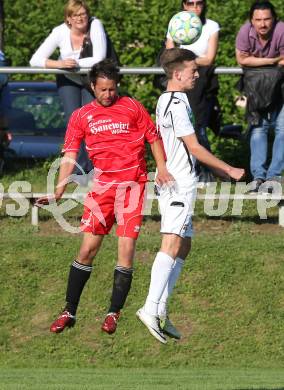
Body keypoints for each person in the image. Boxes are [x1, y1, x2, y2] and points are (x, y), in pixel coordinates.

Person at [36, 59, 173, 335]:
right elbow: (70, 154)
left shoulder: (133, 106)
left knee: (126, 252)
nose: (108, 94)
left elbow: (153, 137)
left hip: (132, 187)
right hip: (102, 190)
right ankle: (69, 311)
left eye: (112, 89)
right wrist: (60, 189)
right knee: (87, 251)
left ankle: (113, 313)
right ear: (92, 87)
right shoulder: (81, 116)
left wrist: (162, 168)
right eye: (103, 90)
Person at [136, 48, 244, 344]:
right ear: (177, 73)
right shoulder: (177, 104)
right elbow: (194, 147)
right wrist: (229, 169)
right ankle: (150, 307)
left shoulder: (167, 99)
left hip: (178, 180)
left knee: (184, 245)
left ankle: (160, 308)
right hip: (178, 183)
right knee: (171, 242)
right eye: (193, 70)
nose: (198, 74)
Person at [30, 0, 108, 174]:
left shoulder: (96, 25)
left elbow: (100, 57)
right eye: (76, 15)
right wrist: (60, 64)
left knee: (92, 121)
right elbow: (35, 60)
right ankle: (77, 169)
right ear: (68, 19)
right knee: (74, 122)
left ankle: (96, 167)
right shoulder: (59, 32)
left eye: (83, 14)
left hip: (91, 80)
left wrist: (74, 63)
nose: (81, 18)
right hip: (67, 79)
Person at [166, 0, 220, 186]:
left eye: (199, 3)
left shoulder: (211, 26)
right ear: (183, 5)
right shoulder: (175, 23)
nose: (195, 7)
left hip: (201, 81)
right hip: (180, 80)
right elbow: (169, 54)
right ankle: (186, 171)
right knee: (179, 129)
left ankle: (207, 173)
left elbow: (209, 58)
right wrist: (188, 61)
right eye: (190, 3)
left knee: (198, 127)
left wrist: (187, 62)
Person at [236, 0, 284, 193]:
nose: (262, 24)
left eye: (267, 19)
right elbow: (241, 59)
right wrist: (273, 60)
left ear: (274, 19)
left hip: (281, 88)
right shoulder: (244, 31)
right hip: (256, 89)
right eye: (258, 20)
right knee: (257, 130)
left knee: (283, 129)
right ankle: (258, 177)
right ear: (251, 20)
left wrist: (255, 62)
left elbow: (248, 59)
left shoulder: (282, 30)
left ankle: (274, 176)